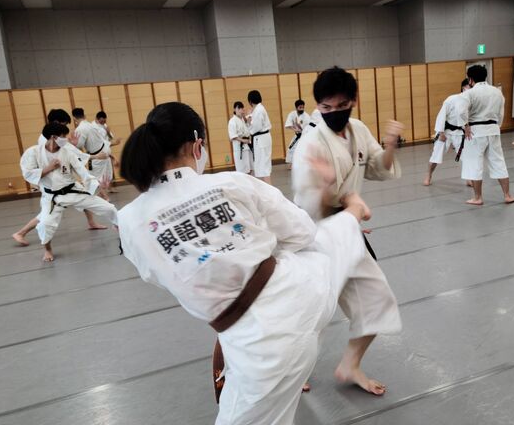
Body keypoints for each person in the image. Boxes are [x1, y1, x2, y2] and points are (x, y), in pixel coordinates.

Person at [117, 101, 378, 425]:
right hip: (289, 298)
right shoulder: (232, 182)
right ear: (197, 145)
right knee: (323, 242)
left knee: (324, 244)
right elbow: (302, 232)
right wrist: (253, 244)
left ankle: (351, 213)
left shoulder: (129, 219)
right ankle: (352, 211)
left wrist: (223, 261)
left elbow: (158, 275)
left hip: (279, 323)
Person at [292, 67, 403, 395]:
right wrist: (328, 188)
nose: (334, 113)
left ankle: (350, 365)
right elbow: (308, 207)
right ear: (318, 106)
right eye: (325, 107)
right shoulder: (310, 144)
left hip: (348, 228)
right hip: (316, 235)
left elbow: (378, 168)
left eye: (341, 105)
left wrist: (390, 146)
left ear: (353, 101)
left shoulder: (358, 129)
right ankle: (292, 371)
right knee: (314, 312)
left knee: (377, 300)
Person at [20, 122, 117, 262]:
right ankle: (47, 249)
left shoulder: (67, 152)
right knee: (45, 224)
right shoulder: (33, 152)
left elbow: (82, 172)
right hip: (52, 197)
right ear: (53, 137)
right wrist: (48, 168)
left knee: (109, 208)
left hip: (73, 190)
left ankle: (120, 226)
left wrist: (98, 186)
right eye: (63, 136)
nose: (65, 139)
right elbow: (28, 173)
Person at [12, 109, 108, 246]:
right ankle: (21, 233)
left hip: (63, 179)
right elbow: (62, 155)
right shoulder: (47, 139)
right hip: (53, 183)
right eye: (64, 124)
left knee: (84, 196)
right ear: (57, 123)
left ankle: (91, 222)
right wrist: (95, 156)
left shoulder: (55, 136)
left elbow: (70, 152)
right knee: (47, 214)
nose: (65, 130)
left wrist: (74, 145)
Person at [459, 65, 514, 206]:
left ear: (470, 79)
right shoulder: (497, 92)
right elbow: (501, 113)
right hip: (493, 129)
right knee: (498, 161)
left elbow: (461, 112)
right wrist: (497, 126)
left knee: (474, 163)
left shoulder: (469, 93)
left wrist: (465, 126)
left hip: (475, 131)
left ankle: (477, 197)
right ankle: (507, 195)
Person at [423, 79, 471, 186]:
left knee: (466, 156)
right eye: (470, 87)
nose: (471, 89)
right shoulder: (452, 99)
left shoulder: (471, 102)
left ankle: (468, 178)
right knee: (436, 156)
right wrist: (440, 133)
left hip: (459, 132)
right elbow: (441, 116)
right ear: (464, 88)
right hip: (446, 131)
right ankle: (428, 175)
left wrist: (468, 129)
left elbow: (468, 118)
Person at [72, 108, 113, 198]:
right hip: (103, 150)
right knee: (96, 178)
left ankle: (103, 197)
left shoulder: (80, 129)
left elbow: (79, 145)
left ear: (74, 118)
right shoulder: (90, 125)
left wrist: (72, 144)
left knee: (92, 179)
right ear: (84, 115)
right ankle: (103, 196)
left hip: (98, 155)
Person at [246, 90, 272, 184]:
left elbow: (256, 127)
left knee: (263, 165)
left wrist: (249, 123)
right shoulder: (258, 109)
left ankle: (269, 188)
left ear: (250, 101)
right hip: (262, 138)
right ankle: (267, 188)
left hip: (261, 139)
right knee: (263, 165)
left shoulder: (258, 110)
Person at [93, 111, 122, 193]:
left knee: (109, 172)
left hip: (106, 151)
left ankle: (110, 188)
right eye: (102, 121)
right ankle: (99, 190)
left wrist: (108, 131)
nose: (103, 122)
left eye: (105, 121)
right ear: (97, 119)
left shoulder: (104, 126)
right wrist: (114, 143)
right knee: (99, 174)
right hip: (98, 153)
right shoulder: (93, 127)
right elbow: (99, 143)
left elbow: (110, 138)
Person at [284, 99, 311, 168]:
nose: (302, 109)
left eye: (303, 107)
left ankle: (305, 164)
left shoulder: (306, 117)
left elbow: (307, 129)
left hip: (305, 136)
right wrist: (294, 128)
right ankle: (292, 164)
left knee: (304, 150)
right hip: (297, 135)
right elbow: (288, 125)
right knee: (291, 148)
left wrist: (298, 126)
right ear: (296, 107)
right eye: (300, 107)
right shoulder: (292, 114)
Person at [227, 101, 252, 173]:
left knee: (249, 168)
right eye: (239, 109)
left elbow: (248, 127)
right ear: (235, 109)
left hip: (247, 146)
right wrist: (243, 140)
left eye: (242, 109)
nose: (241, 111)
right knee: (241, 170)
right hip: (239, 147)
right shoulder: (232, 121)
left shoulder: (242, 119)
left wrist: (247, 116)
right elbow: (233, 136)